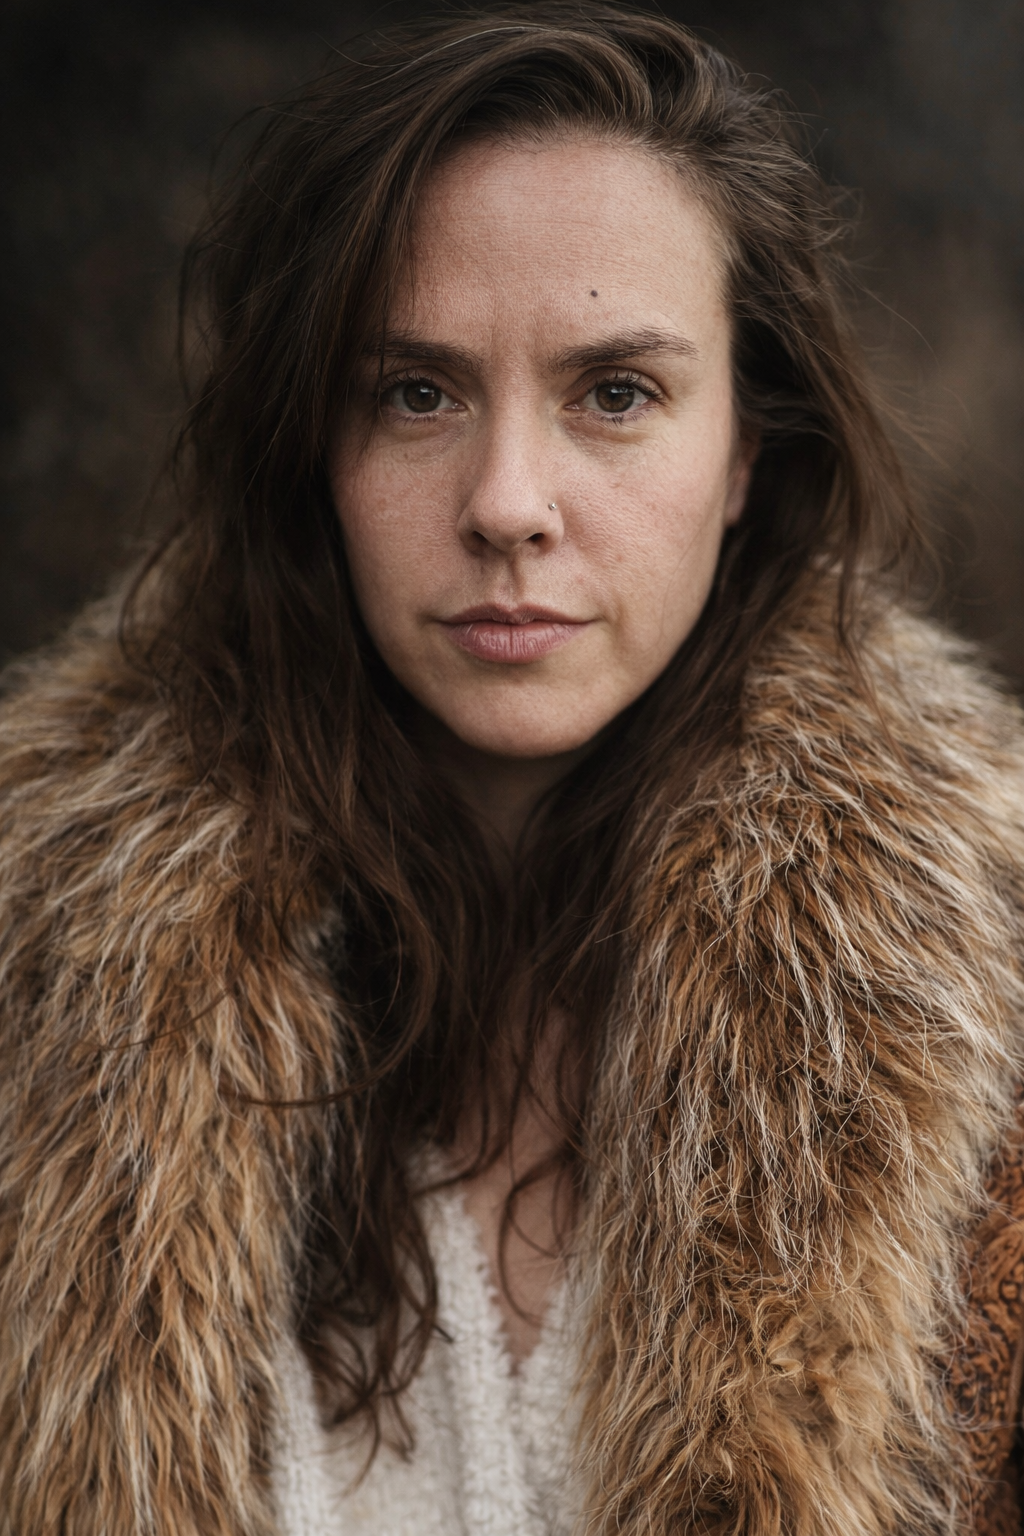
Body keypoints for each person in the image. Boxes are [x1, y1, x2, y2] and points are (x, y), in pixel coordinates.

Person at [2, 5, 1024, 1533]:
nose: (506, 504)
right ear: (312, 446)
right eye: (414, 391)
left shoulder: (993, 969)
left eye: (616, 393)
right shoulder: (33, 958)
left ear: (746, 447)